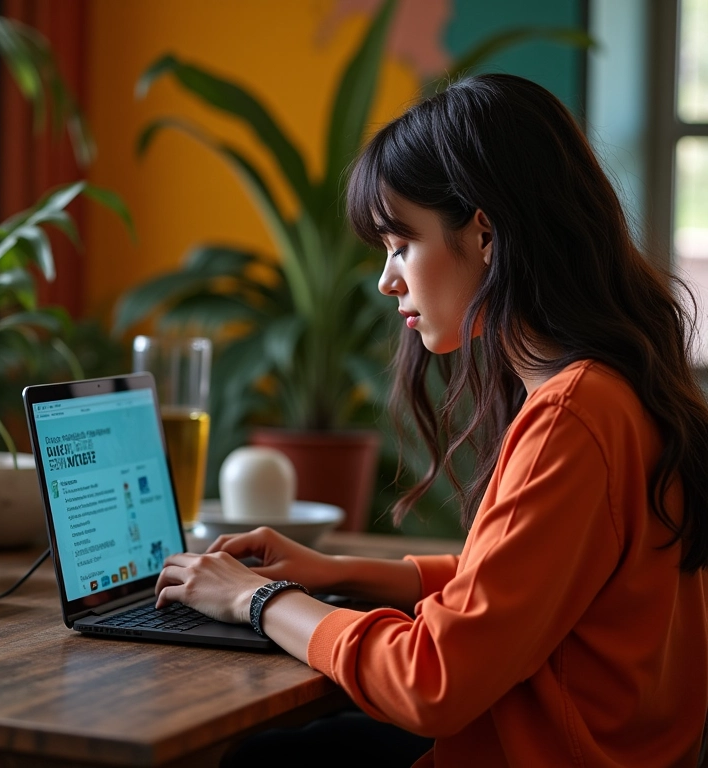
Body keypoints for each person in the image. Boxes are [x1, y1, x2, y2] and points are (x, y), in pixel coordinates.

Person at [154, 73, 708, 767]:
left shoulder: (574, 414)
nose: (387, 279)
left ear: (485, 234)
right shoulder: (619, 388)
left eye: (400, 243)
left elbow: (431, 681)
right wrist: (336, 571)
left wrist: (259, 600)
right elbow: (513, 585)